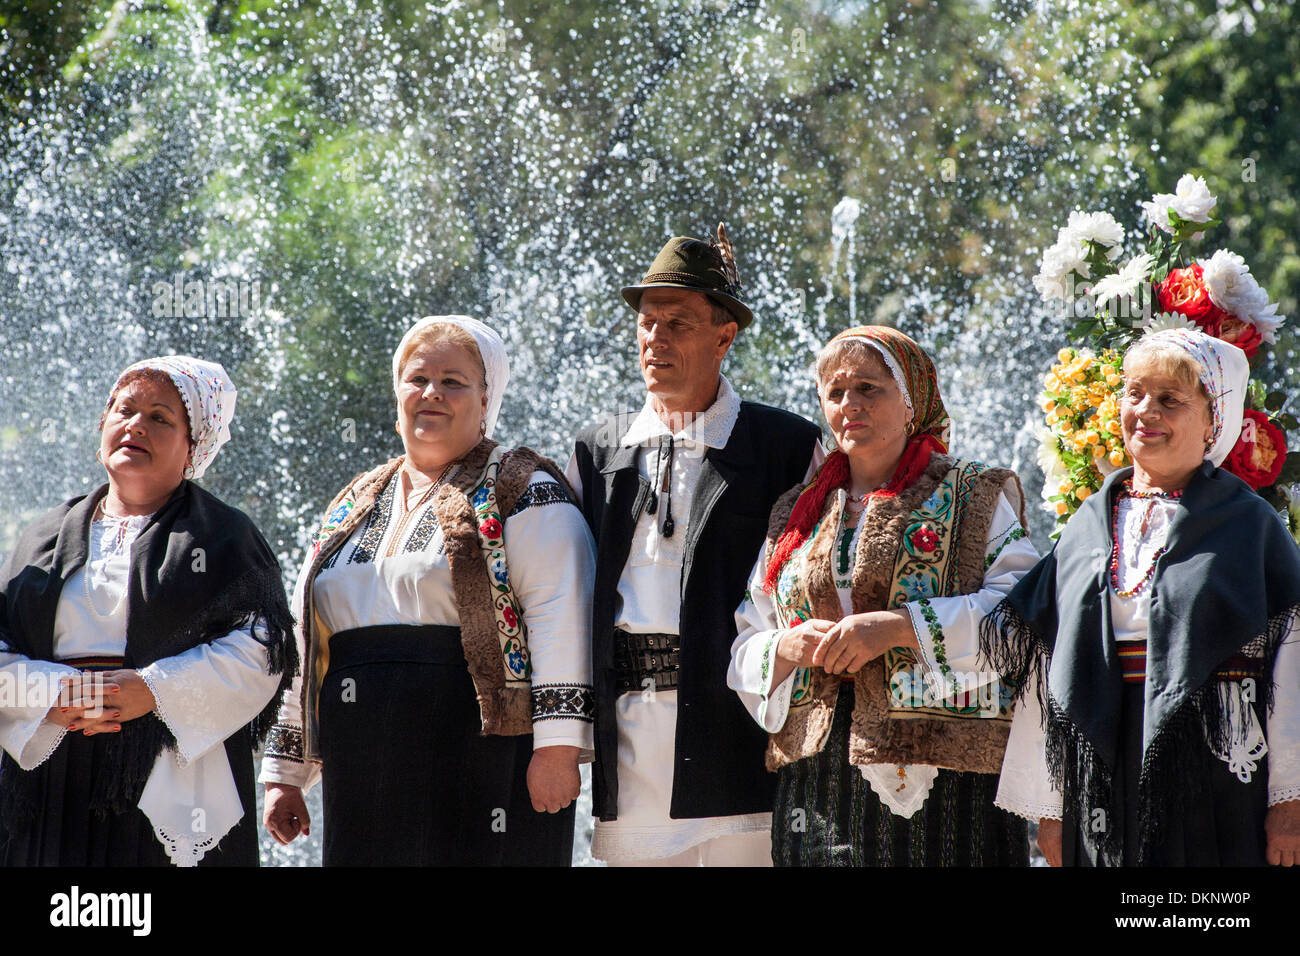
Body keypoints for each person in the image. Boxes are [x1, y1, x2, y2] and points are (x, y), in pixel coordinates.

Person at [260, 315, 595, 866]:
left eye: (453, 381)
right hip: (363, 758)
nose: (432, 393)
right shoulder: (353, 504)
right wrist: (285, 773)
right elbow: (305, 639)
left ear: (486, 398)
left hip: (480, 752)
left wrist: (556, 749)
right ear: (397, 393)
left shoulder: (523, 488)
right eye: (417, 379)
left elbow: (562, 611)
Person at [984, 328, 1300, 866]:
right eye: (1134, 394)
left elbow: (1293, 669)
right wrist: (1050, 807)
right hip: (1102, 754)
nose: (1146, 411)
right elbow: (1049, 665)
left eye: (1170, 400)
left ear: (1211, 422)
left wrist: (1289, 802)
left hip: (1212, 765)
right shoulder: (1087, 524)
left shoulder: (1250, 524)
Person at [729, 325, 1037, 866]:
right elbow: (749, 635)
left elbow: (1023, 613)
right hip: (820, 778)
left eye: (870, 388)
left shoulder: (975, 494)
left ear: (912, 400)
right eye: (836, 392)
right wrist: (786, 646)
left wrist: (899, 627)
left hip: (948, 774)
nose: (851, 404)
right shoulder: (797, 513)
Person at [567, 225, 822, 866]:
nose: (655, 338)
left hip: (738, 734)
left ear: (724, 337)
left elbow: (817, 579)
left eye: (677, 323)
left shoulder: (785, 449)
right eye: (647, 323)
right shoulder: (598, 452)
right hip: (628, 744)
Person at [0, 356, 295, 866]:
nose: (136, 424)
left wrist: (153, 691)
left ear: (192, 449)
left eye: (160, 417)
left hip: (169, 766)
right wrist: (53, 693)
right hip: (54, 762)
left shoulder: (225, 537)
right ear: (102, 428)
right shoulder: (40, 537)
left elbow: (262, 652)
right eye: (124, 410)